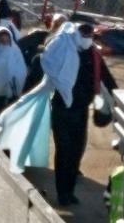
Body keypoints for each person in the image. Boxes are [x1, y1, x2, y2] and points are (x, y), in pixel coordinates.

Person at [47, 21, 116, 207]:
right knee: (64, 151)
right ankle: (62, 193)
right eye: (83, 34)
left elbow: (106, 78)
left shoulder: (93, 55)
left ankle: (69, 192)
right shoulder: (64, 50)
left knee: (76, 151)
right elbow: (47, 65)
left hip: (81, 110)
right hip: (62, 108)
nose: (86, 39)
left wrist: (118, 99)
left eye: (89, 35)